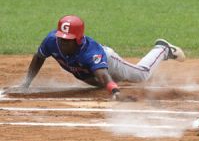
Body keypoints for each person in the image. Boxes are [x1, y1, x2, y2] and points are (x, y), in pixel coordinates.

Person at [18, 15, 185, 100]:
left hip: (109, 62)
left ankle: (162, 49)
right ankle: (121, 80)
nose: (62, 42)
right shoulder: (51, 41)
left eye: (67, 40)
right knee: (97, 84)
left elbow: (103, 75)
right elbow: (38, 57)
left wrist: (115, 93)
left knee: (141, 76)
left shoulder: (91, 52)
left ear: (77, 39)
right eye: (61, 38)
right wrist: (26, 83)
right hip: (88, 73)